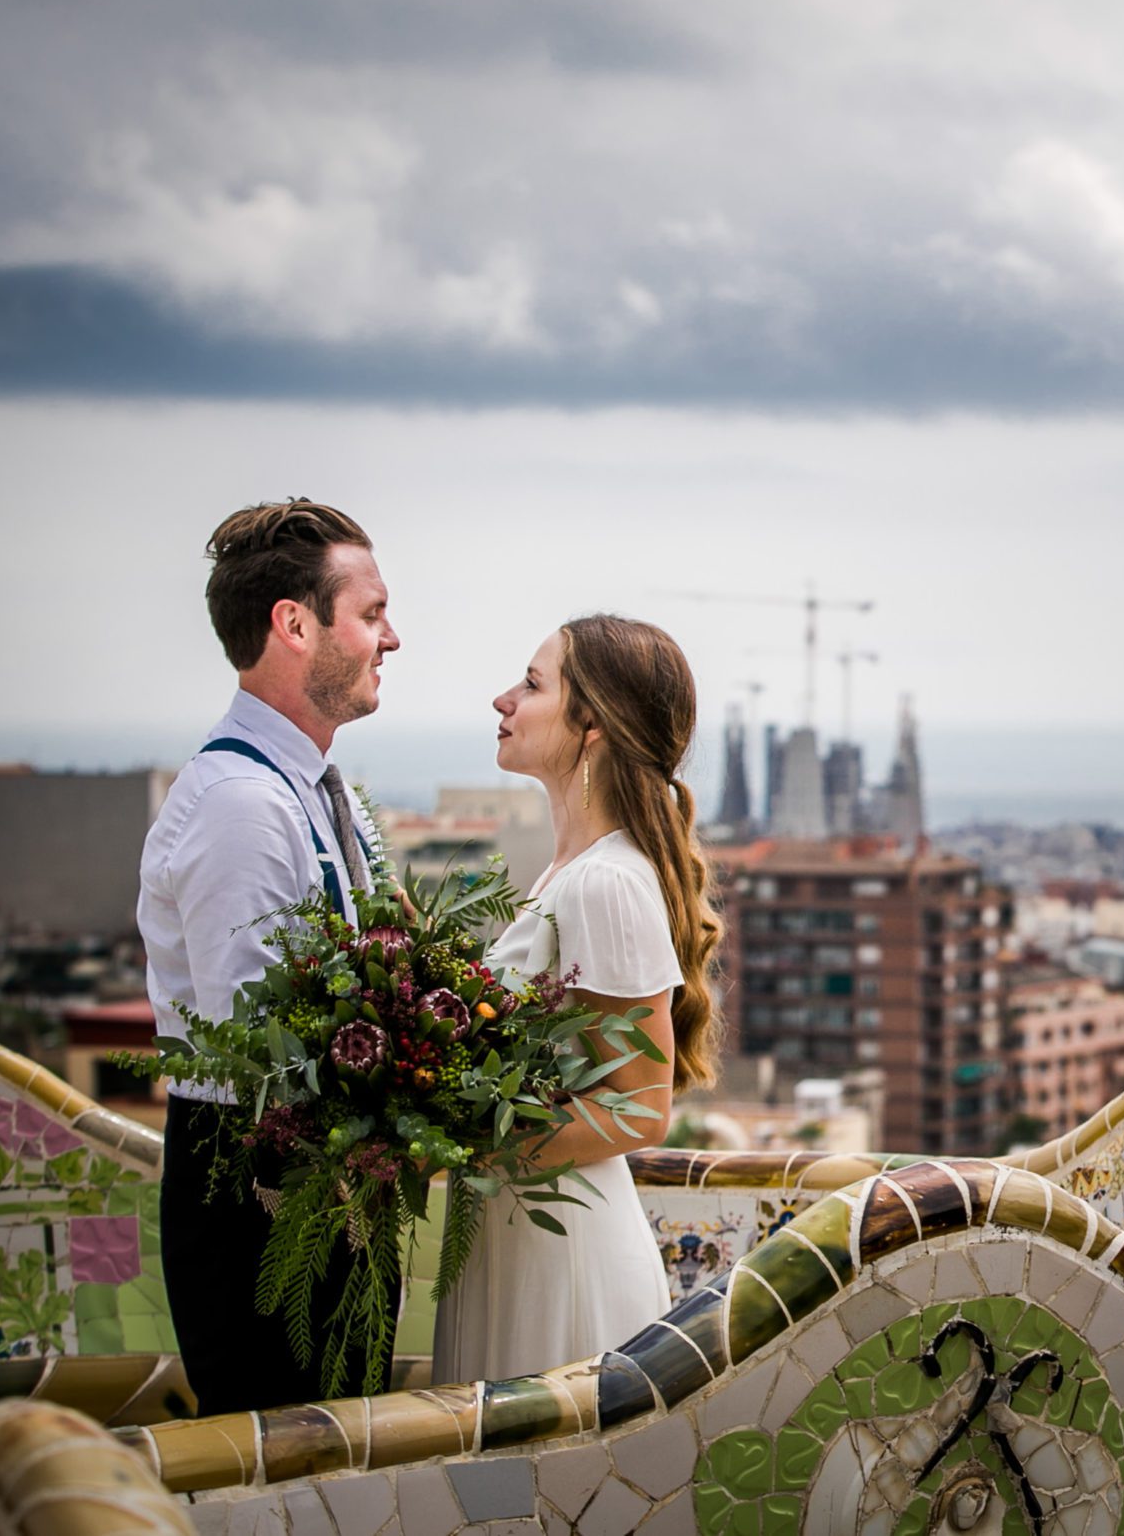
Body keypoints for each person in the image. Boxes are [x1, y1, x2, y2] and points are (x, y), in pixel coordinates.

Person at [138, 499, 401, 1414]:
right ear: (295, 623)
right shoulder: (241, 805)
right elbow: (263, 1046)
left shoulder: (312, 789)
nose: (392, 637)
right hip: (255, 1194)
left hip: (316, 1187)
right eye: (370, 613)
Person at [431, 614, 721, 1383]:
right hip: (518, 1230)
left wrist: (455, 1143)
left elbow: (638, 1106)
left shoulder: (604, 881)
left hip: (562, 1251)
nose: (503, 699)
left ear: (589, 723)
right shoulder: (569, 872)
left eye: (531, 684)